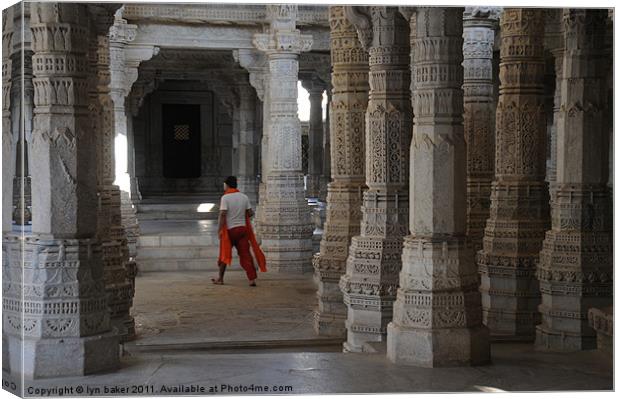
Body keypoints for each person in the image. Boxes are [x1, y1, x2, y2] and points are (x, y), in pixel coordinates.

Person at [212, 176, 266, 286]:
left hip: (229, 231)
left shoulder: (225, 198)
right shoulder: (244, 197)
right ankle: (252, 279)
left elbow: (222, 215)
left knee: (224, 254)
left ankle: (220, 278)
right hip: (242, 230)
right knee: (245, 254)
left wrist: (219, 230)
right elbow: (250, 213)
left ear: (227, 185)